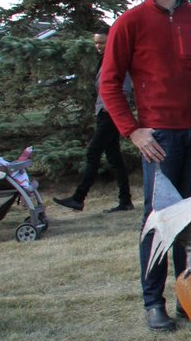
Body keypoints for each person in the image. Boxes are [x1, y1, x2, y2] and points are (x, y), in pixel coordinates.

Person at [99, 0, 191, 332]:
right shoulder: (130, 23)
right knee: (159, 221)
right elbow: (109, 83)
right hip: (160, 139)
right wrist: (132, 130)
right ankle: (154, 301)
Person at [54, 26, 134, 213]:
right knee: (115, 158)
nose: (97, 46)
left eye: (101, 42)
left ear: (111, 41)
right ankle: (125, 201)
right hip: (103, 113)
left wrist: (110, 110)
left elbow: (124, 88)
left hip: (110, 114)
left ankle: (78, 198)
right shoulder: (105, 60)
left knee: (93, 153)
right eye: (95, 43)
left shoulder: (119, 60)